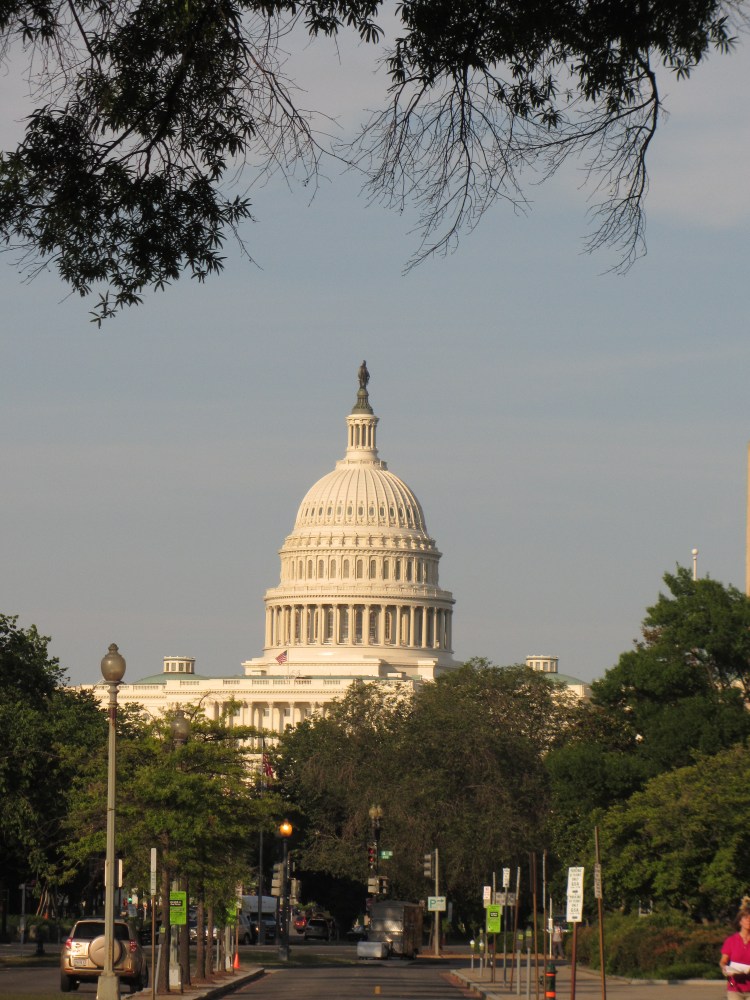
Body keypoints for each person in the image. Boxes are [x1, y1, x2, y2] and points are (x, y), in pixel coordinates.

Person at [721, 897, 750, 997]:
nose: (749, 920)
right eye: (746, 918)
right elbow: (723, 961)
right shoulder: (731, 941)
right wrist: (725, 968)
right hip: (734, 986)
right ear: (740, 921)